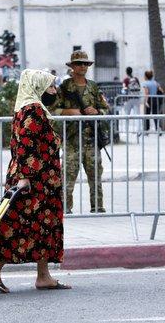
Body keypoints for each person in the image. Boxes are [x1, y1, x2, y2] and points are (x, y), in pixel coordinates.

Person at [0, 69, 70, 292]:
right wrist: (25, 178)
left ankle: (43, 275)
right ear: (38, 87)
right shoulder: (33, 110)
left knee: (43, 227)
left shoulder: (27, 108)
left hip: (42, 180)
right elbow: (25, 146)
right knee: (21, 227)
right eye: (50, 86)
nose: (53, 91)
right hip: (34, 180)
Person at [51, 50, 109, 214]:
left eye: (85, 63)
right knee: (68, 177)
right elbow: (53, 110)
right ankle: (65, 208)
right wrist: (68, 112)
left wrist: (97, 113)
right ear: (72, 66)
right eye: (78, 63)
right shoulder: (64, 88)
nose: (82, 66)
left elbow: (106, 110)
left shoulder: (93, 87)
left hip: (91, 140)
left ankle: (97, 207)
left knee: (95, 177)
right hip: (72, 140)